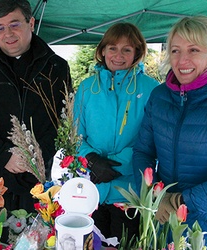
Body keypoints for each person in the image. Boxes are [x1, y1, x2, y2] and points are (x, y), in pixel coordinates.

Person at [133, 16, 207, 247]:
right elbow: (143, 151)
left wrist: (181, 200)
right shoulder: (160, 96)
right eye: (175, 50)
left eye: (194, 50)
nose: (182, 60)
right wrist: (154, 195)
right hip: (166, 218)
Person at [0, 0, 71, 212]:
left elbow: (61, 119)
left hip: (34, 178)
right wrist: (3, 155)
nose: (7, 33)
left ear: (31, 23)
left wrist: (33, 159)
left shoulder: (56, 67)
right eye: (0, 27)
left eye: (14, 24)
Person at [73, 23, 159, 243]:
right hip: (91, 191)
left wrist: (116, 164)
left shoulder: (151, 89)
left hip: (129, 193)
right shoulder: (86, 87)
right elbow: (75, 136)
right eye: (112, 48)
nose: (118, 55)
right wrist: (92, 160)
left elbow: (153, 139)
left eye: (127, 49)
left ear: (137, 53)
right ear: (102, 50)